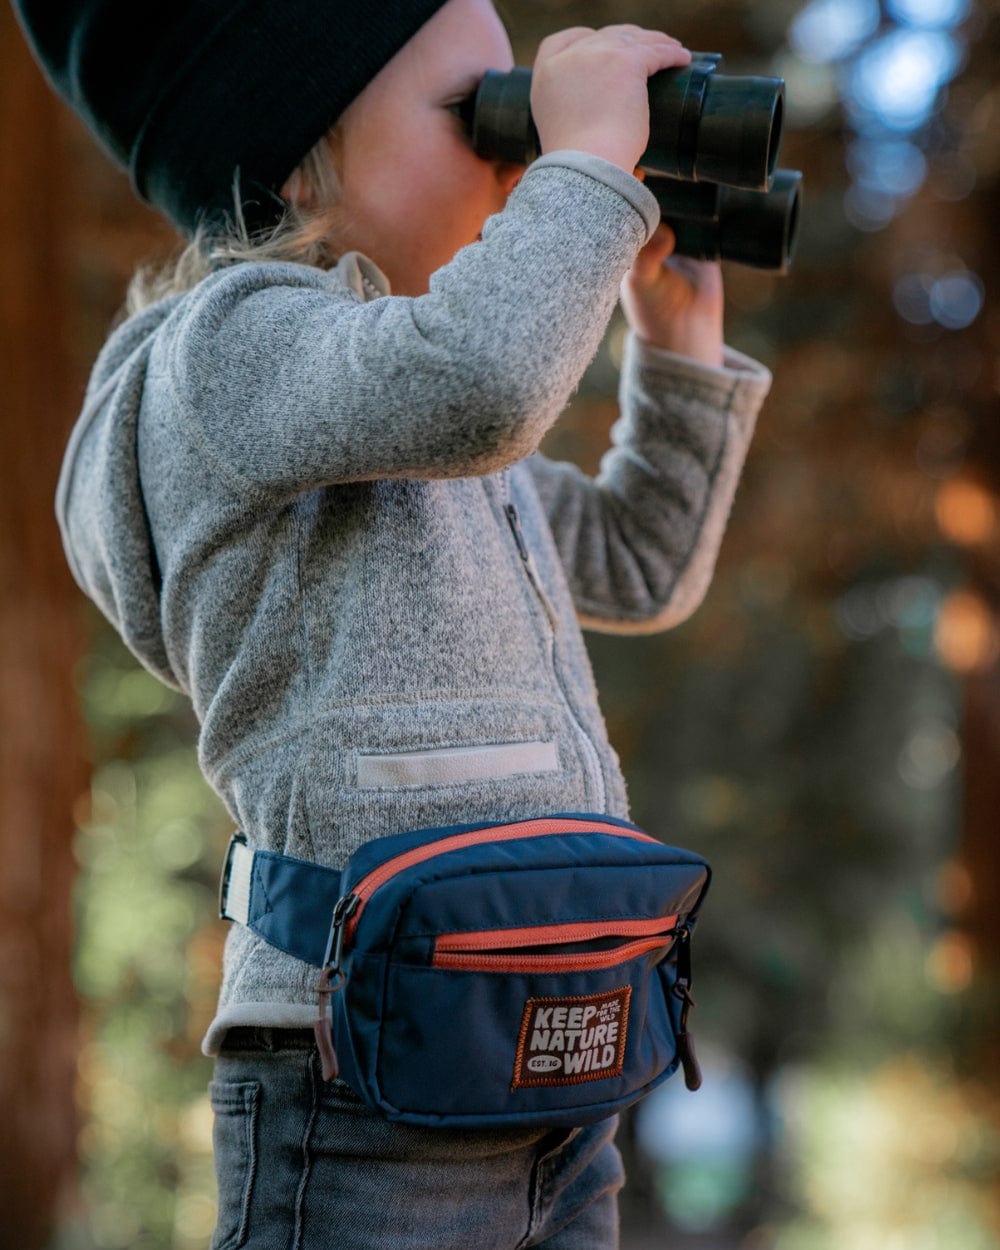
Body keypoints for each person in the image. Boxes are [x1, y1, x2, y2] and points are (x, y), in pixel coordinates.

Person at [13, 0, 772, 1245]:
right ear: (294, 156)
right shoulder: (232, 355)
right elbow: (484, 378)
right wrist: (584, 171)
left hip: (557, 1038)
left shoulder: (409, 407)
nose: (517, 158)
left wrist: (676, 352)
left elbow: (640, 565)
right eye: (489, 116)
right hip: (362, 1066)